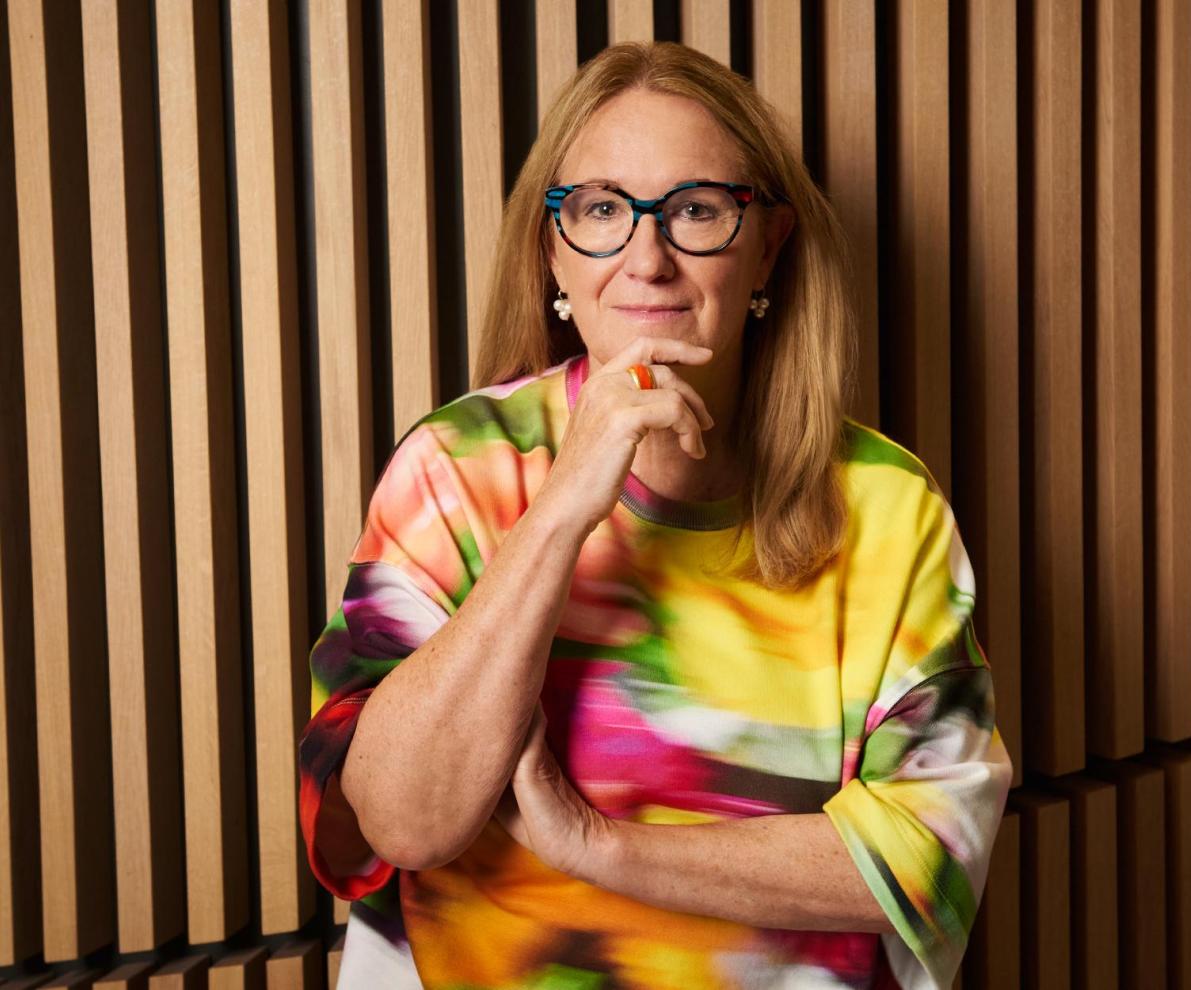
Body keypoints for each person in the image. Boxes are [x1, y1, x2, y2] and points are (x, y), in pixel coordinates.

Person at [298, 41, 1012, 990]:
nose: (647, 258)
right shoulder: (456, 470)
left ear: (769, 246)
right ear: (553, 248)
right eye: (600, 209)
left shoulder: (888, 510)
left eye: (696, 211)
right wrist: (562, 512)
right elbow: (401, 821)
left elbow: (926, 860)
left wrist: (598, 847)